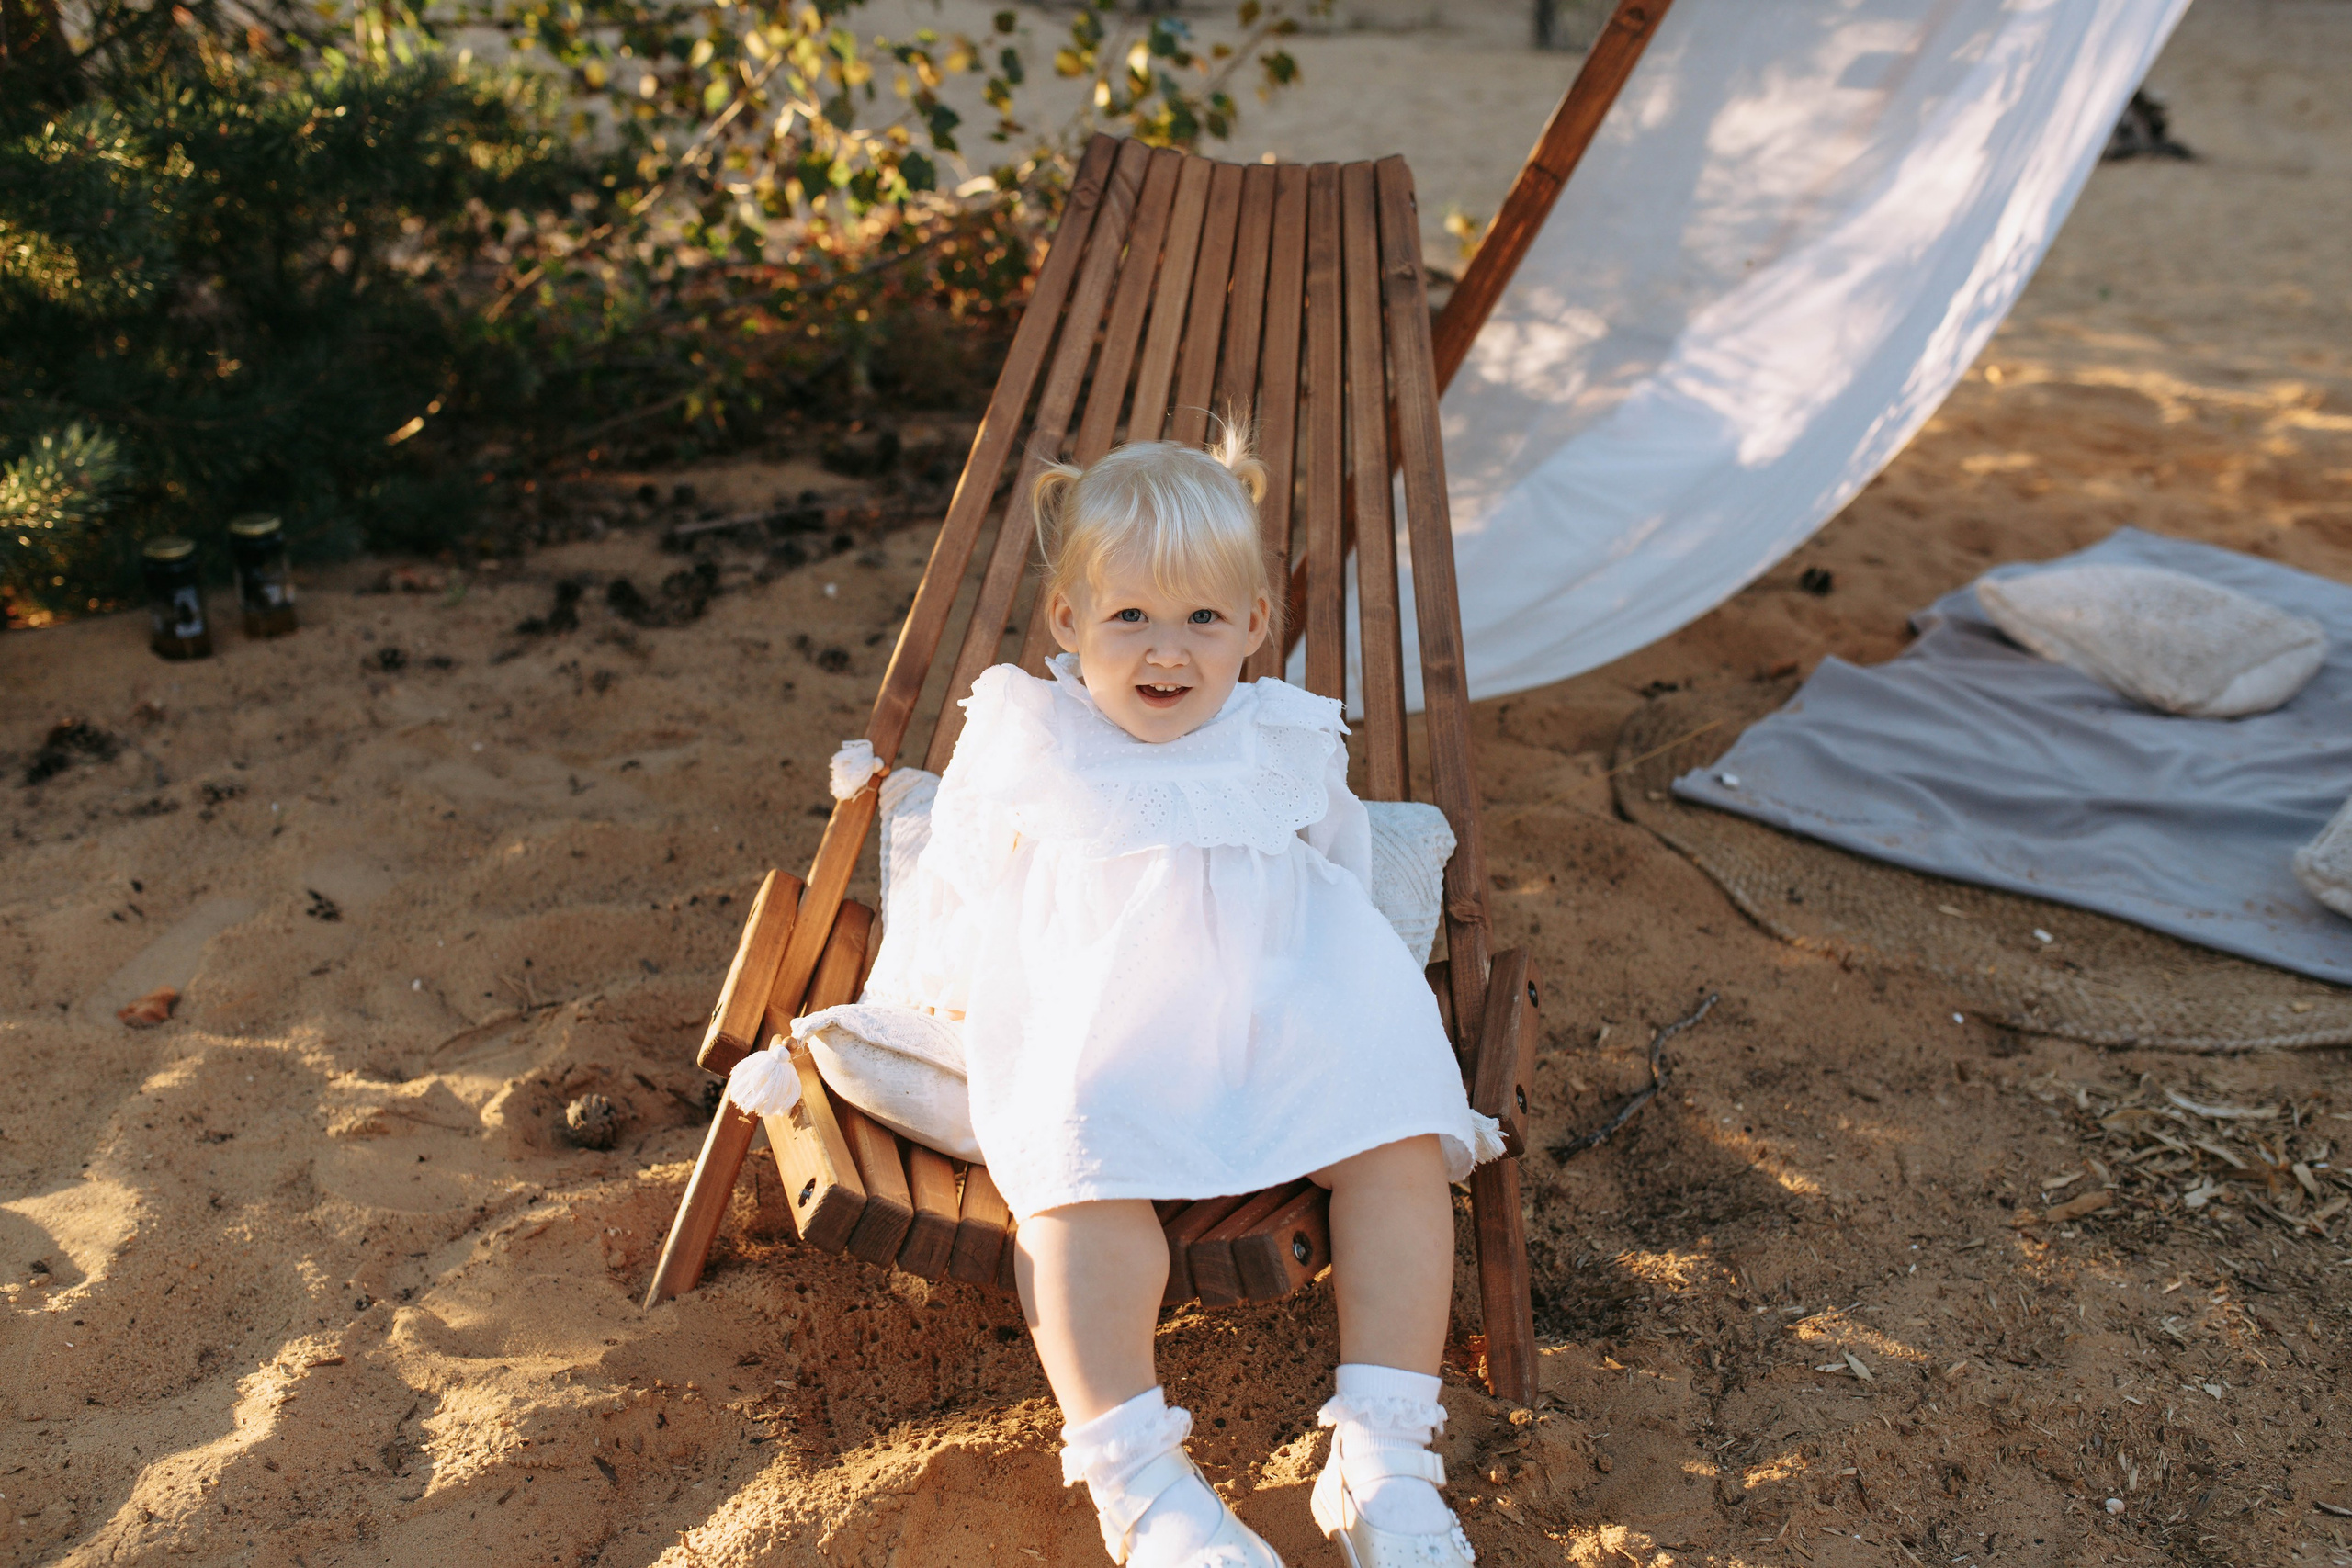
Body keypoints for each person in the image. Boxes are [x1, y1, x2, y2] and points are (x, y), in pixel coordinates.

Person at [805, 433, 1500, 1568]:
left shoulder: (1280, 733)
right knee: (1076, 1184)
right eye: (1129, 617)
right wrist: (937, 999)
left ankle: (1383, 1452)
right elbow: (961, 878)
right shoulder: (1030, 733)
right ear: (1068, 619)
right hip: (1102, 1023)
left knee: (1396, 1152)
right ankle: (1139, 1481)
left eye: (1202, 619)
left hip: (1283, 1003)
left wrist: (1365, 1005)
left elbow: (1338, 860)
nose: (1166, 651)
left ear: (1255, 624)